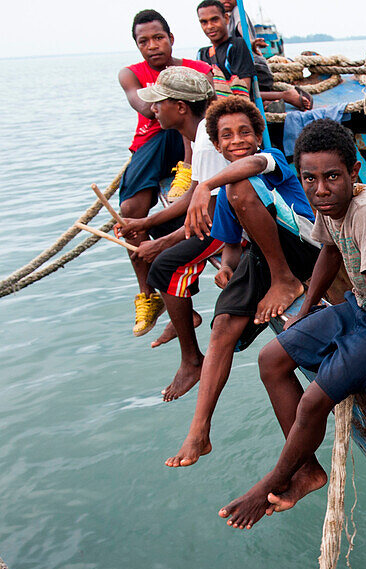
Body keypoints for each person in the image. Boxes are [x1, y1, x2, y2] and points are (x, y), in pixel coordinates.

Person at [219, 120, 366, 528]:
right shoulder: (331, 207)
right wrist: (303, 316)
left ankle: (277, 477)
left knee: (312, 402)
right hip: (359, 310)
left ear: (354, 173)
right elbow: (329, 253)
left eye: (332, 177)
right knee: (272, 360)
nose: (320, 189)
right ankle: (306, 469)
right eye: (309, 179)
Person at [166, 96, 318, 468]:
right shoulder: (227, 192)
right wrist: (225, 270)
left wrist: (204, 186)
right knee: (221, 327)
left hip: (306, 248)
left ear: (259, 136)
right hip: (265, 256)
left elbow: (252, 166)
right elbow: (232, 250)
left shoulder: (271, 161)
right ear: (216, 145)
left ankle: (285, 281)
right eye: (227, 136)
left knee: (237, 185)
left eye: (245, 132)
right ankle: (199, 431)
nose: (237, 140)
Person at [117, 65, 234, 402]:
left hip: (227, 226)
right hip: (213, 215)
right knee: (155, 233)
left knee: (163, 268)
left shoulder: (209, 145)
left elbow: (209, 221)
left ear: (180, 108)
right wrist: (145, 225)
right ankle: (183, 311)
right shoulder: (198, 136)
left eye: (159, 104)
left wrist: (162, 243)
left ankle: (191, 359)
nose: (153, 110)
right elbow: (190, 196)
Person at [118, 9, 212, 337]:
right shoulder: (131, 74)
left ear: (171, 39)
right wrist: (144, 224)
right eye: (143, 41)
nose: (153, 46)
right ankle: (150, 297)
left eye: (159, 38)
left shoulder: (195, 74)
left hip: (183, 137)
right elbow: (146, 107)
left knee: (166, 254)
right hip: (153, 140)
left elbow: (200, 109)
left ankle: (186, 171)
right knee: (129, 213)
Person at [197, 0, 311, 110]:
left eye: (214, 20)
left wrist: (250, 42)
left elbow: (243, 92)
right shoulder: (202, 54)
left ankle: (284, 95)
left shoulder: (236, 45)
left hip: (249, 85)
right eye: (204, 22)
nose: (210, 26)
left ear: (226, 18)